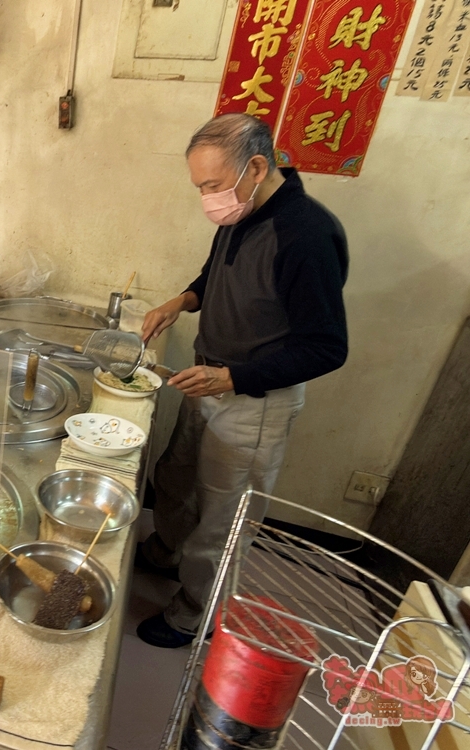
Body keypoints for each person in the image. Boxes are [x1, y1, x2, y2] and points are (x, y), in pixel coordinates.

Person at [134, 114, 349, 648]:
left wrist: (233, 377)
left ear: (256, 167)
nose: (207, 198)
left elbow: (326, 347)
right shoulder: (242, 213)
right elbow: (217, 276)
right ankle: (166, 552)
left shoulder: (306, 234)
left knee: (224, 516)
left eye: (212, 185)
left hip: (253, 398)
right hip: (208, 377)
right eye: (199, 187)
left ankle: (194, 614)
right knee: (177, 477)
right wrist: (182, 300)